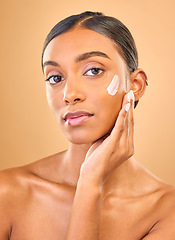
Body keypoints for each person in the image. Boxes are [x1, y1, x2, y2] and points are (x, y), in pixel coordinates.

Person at [0, 11, 175, 240]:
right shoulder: (8, 192)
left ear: (136, 84)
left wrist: (90, 183)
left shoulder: (165, 212)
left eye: (93, 70)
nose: (69, 94)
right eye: (55, 77)